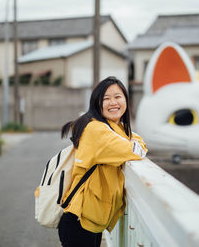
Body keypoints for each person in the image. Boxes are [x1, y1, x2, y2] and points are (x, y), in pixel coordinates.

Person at [58, 76, 147, 247]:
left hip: (91, 220)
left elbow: (138, 141)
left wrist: (136, 145)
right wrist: (136, 145)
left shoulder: (115, 128)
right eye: (106, 99)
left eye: (117, 97)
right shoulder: (96, 129)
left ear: (126, 100)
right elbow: (133, 149)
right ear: (97, 104)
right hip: (79, 221)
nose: (113, 102)